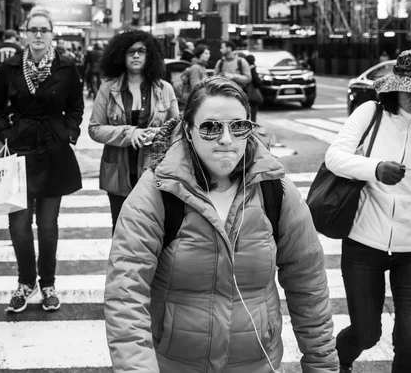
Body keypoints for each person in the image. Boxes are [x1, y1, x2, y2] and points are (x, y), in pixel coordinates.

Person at [104, 76, 339, 372]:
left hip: (256, 364)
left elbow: (309, 283)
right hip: (174, 365)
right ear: (188, 131)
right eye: (211, 127)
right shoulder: (157, 192)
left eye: (238, 126)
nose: (226, 139)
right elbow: (126, 293)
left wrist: (322, 364)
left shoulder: (275, 189)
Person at [324, 48, 411, 373]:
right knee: (367, 333)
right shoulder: (369, 113)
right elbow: (335, 157)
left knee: (410, 342)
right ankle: (335, 363)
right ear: (395, 86)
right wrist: (375, 169)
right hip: (363, 243)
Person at [0, 6, 84, 313]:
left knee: (48, 225)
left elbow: (77, 108)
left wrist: (68, 132)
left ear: (52, 34)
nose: (38, 35)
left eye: (44, 30)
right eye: (33, 30)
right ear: (25, 34)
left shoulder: (67, 67)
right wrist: (7, 135)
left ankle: (48, 284)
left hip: (54, 152)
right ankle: (25, 282)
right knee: (18, 226)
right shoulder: (11, 67)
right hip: (19, 153)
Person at [88, 30, 178, 233]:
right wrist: (130, 133)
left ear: (150, 55)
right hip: (118, 175)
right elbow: (94, 129)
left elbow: (177, 129)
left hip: (154, 174)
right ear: (121, 56)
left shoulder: (164, 89)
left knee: (153, 231)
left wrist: (158, 134)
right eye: (130, 52)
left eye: (141, 51)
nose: (136, 55)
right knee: (121, 231)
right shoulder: (108, 89)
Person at [244, 54, 263, 122]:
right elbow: (257, 82)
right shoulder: (251, 69)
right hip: (251, 94)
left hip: (245, 94)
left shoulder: (243, 68)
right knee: (253, 114)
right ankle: (252, 127)